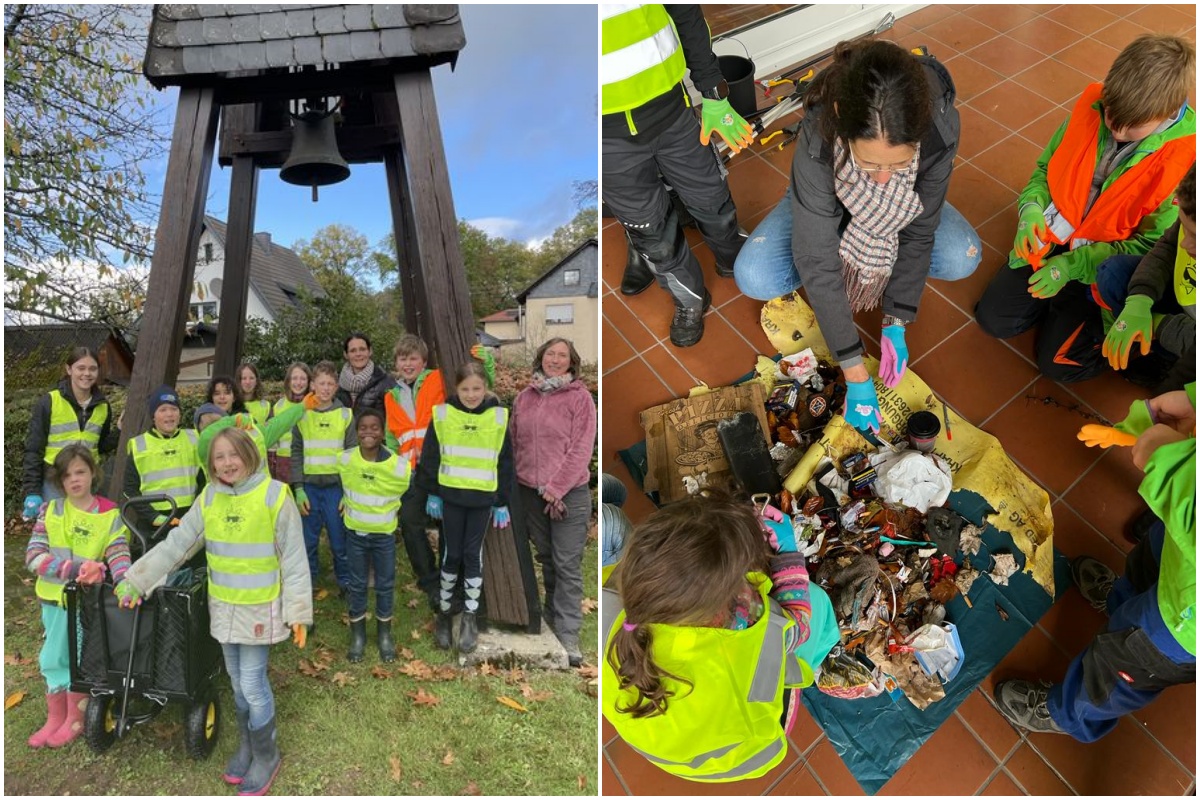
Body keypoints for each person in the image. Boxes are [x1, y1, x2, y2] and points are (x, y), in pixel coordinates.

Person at [734, 39, 980, 435]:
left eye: (898, 163)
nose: (883, 177)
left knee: (960, 255)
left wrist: (897, 320)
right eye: (869, 162)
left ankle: (881, 235)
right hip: (825, 198)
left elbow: (919, 230)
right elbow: (816, 256)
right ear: (841, 121)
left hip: (903, 207)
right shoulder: (820, 130)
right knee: (755, 276)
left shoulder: (940, 125)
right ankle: (838, 218)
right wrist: (854, 370)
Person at [975, 34, 1196, 383]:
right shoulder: (1093, 105)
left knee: (1057, 364)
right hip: (1055, 237)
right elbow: (1046, 171)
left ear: (1168, 113)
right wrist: (1031, 210)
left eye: (1131, 128)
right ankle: (1058, 305)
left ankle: (1133, 345)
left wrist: (1070, 267)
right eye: (1110, 114)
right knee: (994, 319)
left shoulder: (1183, 161)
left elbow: (1149, 250)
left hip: (1103, 264)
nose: (1115, 130)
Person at [115, 427, 311, 795]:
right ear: (210, 463)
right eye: (218, 457)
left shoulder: (274, 495)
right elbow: (176, 546)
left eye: (233, 454)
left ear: (249, 455)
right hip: (222, 608)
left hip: (260, 609)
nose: (227, 463)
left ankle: (267, 755)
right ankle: (248, 745)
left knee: (252, 684)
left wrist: (297, 610)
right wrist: (137, 579)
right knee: (237, 684)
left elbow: (296, 560)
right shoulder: (208, 498)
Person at [995, 385, 1195, 741]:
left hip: (1185, 624)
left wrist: (1172, 466)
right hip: (1184, 545)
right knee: (1147, 565)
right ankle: (1121, 604)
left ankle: (1068, 714)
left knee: (1118, 671)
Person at [601, 490, 839, 782]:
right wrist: (788, 553)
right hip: (749, 748)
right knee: (815, 601)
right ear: (724, 606)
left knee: (609, 502)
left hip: (665, 743)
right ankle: (819, 659)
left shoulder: (615, 599)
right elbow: (798, 624)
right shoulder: (749, 626)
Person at [602, 4, 753, 348]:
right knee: (651, 233)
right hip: (602, 135)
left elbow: (684, 11)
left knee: (711, 196)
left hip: (671, 108)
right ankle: (689, 299)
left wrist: (713, 92)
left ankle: (735, 260)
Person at [25, 444, 132, 749]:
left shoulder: (109, 514)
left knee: (76, 658)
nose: (75, 480)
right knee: (53, 657)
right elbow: (34, 557)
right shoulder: (51, 511)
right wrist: (73, 568)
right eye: (68, 474)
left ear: (92, 473)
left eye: (81, 472)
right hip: (53, 600)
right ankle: (54, 718)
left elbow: (119, 554)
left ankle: (75, 718)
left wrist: (125, 583)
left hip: (86, 604)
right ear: (60, 481)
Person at [416, 360, 514, 654]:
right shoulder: (444, 414)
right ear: (456, 389)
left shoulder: (497, 417)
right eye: (465, 389)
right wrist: (432, 492)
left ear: (486, 388)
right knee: (451, 554)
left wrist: (501, 501)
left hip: (482, 501)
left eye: (477, 388)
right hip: (451, 498)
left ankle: (469, 616)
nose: (471, 394)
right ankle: (445, 614)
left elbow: (505, 461)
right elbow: (430, 455)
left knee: (473, 555)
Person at [511, 338, 596, 666]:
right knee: (546, 558)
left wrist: (556, 487)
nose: (555, 360)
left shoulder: (580, 399)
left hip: (568, 494)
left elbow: (581, 449)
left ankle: (569, 633)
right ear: (541, 358)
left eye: (562, 355)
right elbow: (515, 442)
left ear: (571, 362)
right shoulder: (524, 398)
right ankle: (550, 616)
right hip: (529, 493)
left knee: (566, 563)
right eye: (551, 354)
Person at [1100, 165, 1196, 392]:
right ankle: (1161, 349)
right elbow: (1167, 248)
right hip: (1185, 296)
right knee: (1113, 273)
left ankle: (1170, 360)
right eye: (1185, 228)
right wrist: (1139, 300)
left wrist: (1160, 325)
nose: (1185, 243)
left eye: (1196, 237)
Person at [336, 407, 411, 663]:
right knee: (356, 584)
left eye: (375, 427)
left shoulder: (399, 467)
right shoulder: (345, 460)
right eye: (363, 427)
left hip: (384, 537)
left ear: (383, 432)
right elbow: (345, 488)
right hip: (355, 535)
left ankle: (384, 634)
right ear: (356, 432)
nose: (369, 432)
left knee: (385, 585)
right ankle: (358, 635)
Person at [384, 335, 446, 611]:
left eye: (412, 358)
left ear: (423, 361)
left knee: (448, 525)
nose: (407, 364)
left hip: (443, 467)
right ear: (396, 363)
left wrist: (488, 365)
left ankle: (449, 580)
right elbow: (391, 438)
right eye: (402, 358)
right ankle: (429, 580)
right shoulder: (391, 395)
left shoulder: (438, 380)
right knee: (410, 523)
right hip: (411, 472)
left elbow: (477, 387)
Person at [22, 346, 119, 518]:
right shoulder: (49, 402)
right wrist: (32, 490)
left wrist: (119, 431)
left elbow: (100, 445)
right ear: (69, 369)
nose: (87, 374)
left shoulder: (103, 406)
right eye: (81, 368)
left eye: (92, 369)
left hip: (88, 479)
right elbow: (34, 449)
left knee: (84, 534)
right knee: (56, 533)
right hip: (55, 480)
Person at [291, 361, 356, 598]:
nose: (325, 388)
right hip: (308, 489)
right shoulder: (301, 415)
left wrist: (349, 493)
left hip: (336, 489)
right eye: (321, 383)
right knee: (308, 541)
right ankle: (307, 583)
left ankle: (346, 583)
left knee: (339, 541)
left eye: (330, 384)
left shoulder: (345, 415)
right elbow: (296, 452)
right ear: (312, 385)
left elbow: (352, 456)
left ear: (336, 386)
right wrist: (298, 488)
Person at [121, 385, 203, 541]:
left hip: (189, 520)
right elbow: (129, 489)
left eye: (174, 409)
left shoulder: (194, 439)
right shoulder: (139, 445)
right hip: (153, 525)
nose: (169, 414)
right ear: (153, 416)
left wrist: (195, 513)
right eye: (163, 410)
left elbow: (204, 480)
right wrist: (153, 517)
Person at [270, 362, 312, 483]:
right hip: (283, 464)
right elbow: (272, 441)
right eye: (294, 378)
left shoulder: (315, 404)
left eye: (303, 378)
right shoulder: (278, 406)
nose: (298, 383)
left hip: (307, 463)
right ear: (288, 381)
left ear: (309, 381)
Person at [336, 332, 396, 415]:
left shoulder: (386, 383)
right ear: (346, 355)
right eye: (353, 351)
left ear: (370, 351)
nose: (358, 354)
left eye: (362, 349)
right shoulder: (336, 385)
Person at [236, 362, 271, 427]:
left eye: (251, 378)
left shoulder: (266, 405)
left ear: (256, 381)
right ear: (239, 381)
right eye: (244, 378)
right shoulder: (233, 405)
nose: (248, 382)